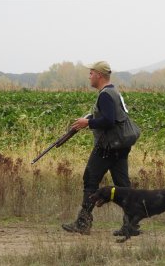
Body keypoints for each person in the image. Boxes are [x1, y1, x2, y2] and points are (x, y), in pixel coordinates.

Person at [62, 61, 139, 236]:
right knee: (123, 186)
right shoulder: (114, 92)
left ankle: (83, 224)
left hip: (107, 148)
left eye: (91, 73)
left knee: (90, 180)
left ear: (99, 75)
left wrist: (87, 122)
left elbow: (109, 121)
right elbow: (112, 116)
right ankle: (131, 226)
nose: (89, 76)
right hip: (119, 147)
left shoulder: (105, 95)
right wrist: (91, 117)